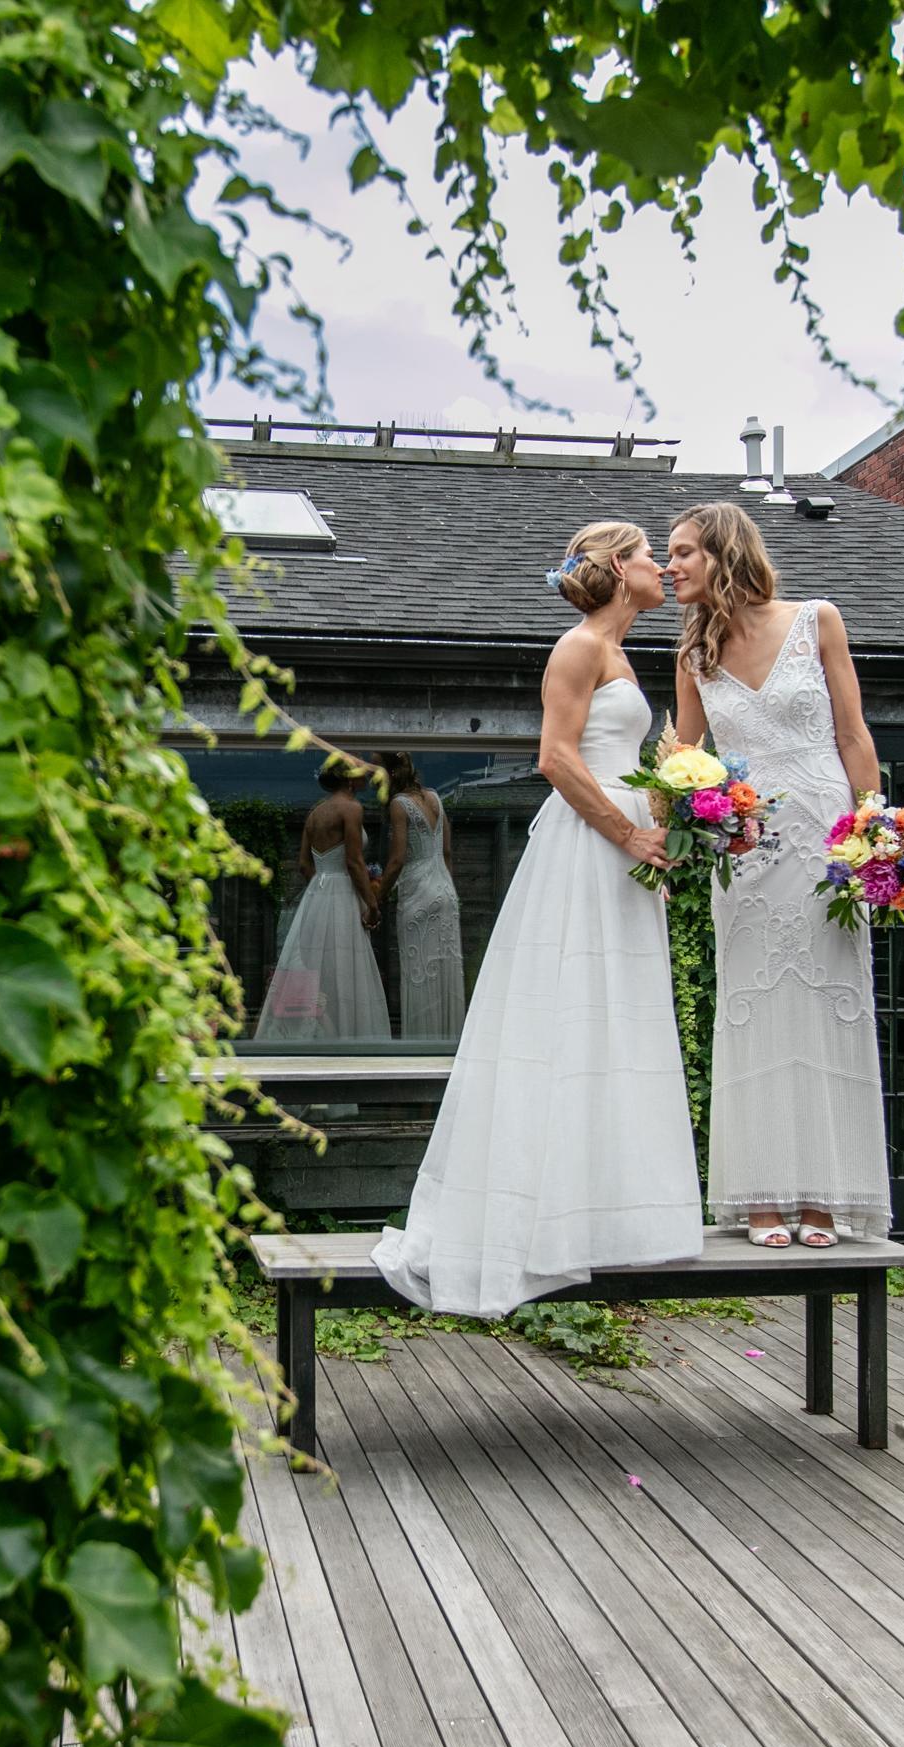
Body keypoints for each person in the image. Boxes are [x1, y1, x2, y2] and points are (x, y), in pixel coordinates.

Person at [372, 522, 705, 1317]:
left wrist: (660, 825)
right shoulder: (579, 646)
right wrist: (627, 833)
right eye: (649, 555)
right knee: (565, 1017)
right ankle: (534, 1220)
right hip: (588, 850)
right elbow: (556, 757)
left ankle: (600, 1214)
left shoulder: (622, 652)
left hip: (622, 858)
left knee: (615, 1023)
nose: (661, 566)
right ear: (619, 566)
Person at [668, 501, 892, 1248]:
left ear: (724, 552)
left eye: (684, 552)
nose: (671, 566)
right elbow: (684, 767)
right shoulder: (693, 656)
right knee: (755, 1011)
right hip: (748, 850)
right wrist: (691, 824)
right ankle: (762, 1198)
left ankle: (826, 1200)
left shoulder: (818, 620)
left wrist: (874, 832)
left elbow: (852, 733)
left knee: (831, 1007)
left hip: (827, 841)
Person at [255, 761, 391, 1042]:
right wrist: (372, 905)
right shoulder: (351, 808)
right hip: (342, 895)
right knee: (345, 968)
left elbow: (304, 865)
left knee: (321, 968)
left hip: (316, 896)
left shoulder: (315, 813)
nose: (367, 776)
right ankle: (347, 1038)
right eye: (361, 772)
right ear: (350, 780)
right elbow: (354, 862)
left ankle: (327, 1038)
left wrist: (321, 889)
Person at [375, 751, 464, 1040]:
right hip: (445, 890)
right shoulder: (435, 797)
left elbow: (397, 860)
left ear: (389, 774)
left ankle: (422, 1042)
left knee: (420, 972)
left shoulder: (399, 804)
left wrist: (377, 898)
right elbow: (446, 851)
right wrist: (446, 886)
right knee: (445, 969)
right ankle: (447, 1040)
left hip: (418, 892)